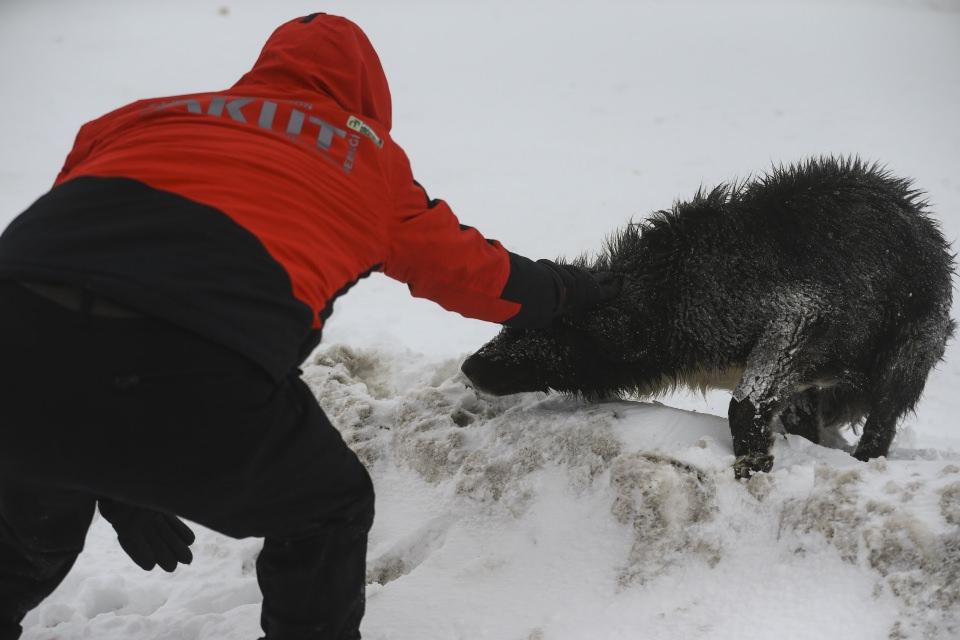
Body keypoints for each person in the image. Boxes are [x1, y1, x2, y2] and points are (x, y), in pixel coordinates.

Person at [0, 13, 618, 640]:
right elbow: (469, 274)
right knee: (327, 507)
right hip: (197, 349)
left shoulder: (134, 119)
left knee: (24, 518)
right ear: (368, 95)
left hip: (13, 327)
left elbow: (72, 284)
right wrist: (570, 291)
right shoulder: (364, 154)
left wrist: (115, 486)